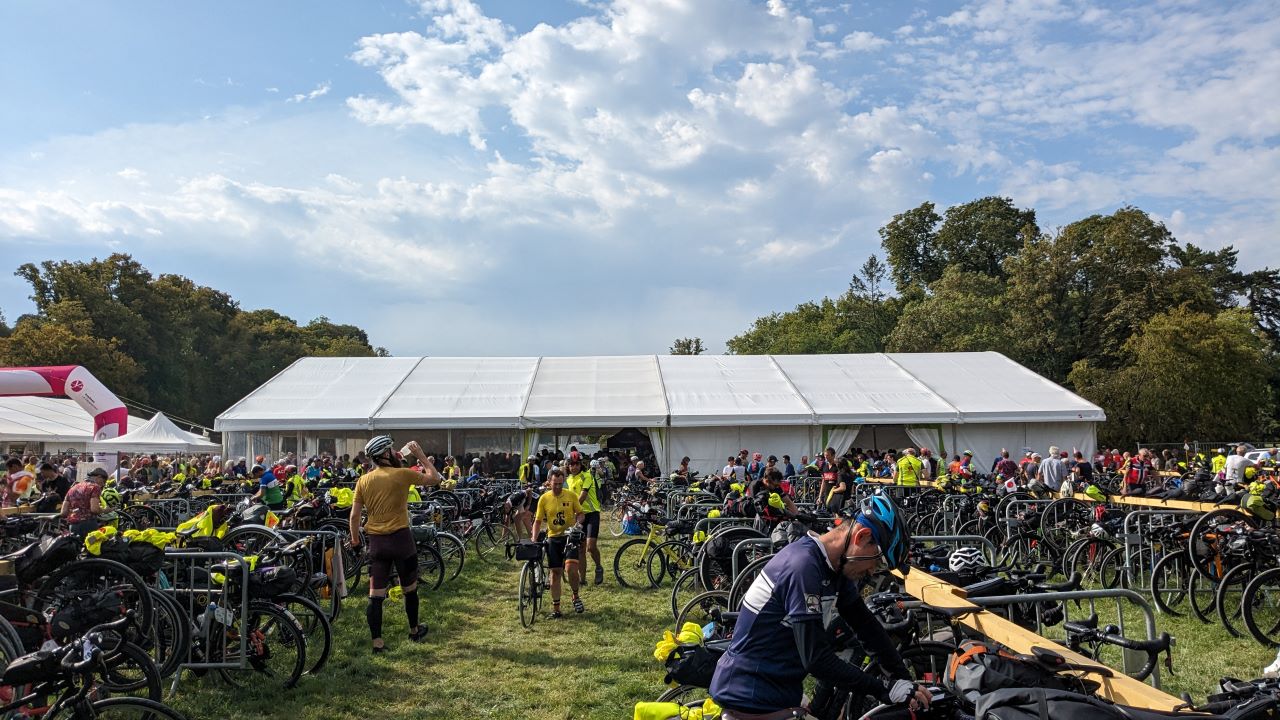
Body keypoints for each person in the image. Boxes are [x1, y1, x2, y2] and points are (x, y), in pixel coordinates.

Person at [709, 495, 929, 719]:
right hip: (750, 695)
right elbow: (816, 659)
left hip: (776, 691)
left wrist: (905, 681)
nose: (873, 571)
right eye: (878, 562)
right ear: (862, 537)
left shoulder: (833, 567)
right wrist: (884, 689)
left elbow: (866, 626)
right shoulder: (803, 566)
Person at [349, 436, 442, 652]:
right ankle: (414, 631)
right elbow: (435, 478)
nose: (394, 452)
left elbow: (354, 517)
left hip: (377, 543)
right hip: (401, 540)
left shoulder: (363, 481)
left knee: (375, 595)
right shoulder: (402, 474)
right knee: (410, 590)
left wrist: (355, 541)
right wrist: (420, 456)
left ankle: (377, 643)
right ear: (385, 454)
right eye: (390, 450)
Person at [531, 468, 586, 617]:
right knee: (555, 573)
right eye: (555, 484)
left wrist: (578, 525)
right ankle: (556, 609)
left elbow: (580, 514)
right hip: (553, 538)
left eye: (560, 484)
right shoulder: (544, 498)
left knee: (571, 569)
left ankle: (575, 596)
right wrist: (534, 538)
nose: (557, 487)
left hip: (569, 536)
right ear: (549, 482)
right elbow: (537, 521)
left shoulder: (571, 495)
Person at [566, 457, 604, 586]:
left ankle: (598, 567)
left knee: (590, 547)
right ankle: (582, 580)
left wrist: (571, 511)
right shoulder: (568, 479)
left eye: (576, 464)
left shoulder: (587, 476)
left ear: (580, 464)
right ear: (568, 466)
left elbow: (582, 496)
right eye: (571, 465)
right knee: (580, 549)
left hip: (592, 514)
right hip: (579, 516)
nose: (574, 467)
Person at [62, 467, 110, 537]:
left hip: (73, 526)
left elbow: (64, 512)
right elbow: (94, 509)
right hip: (88, 524)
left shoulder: (73, 488)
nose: (102, 485)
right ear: (99, 477)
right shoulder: (94, 487)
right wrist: (105, 510)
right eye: (103, 482)